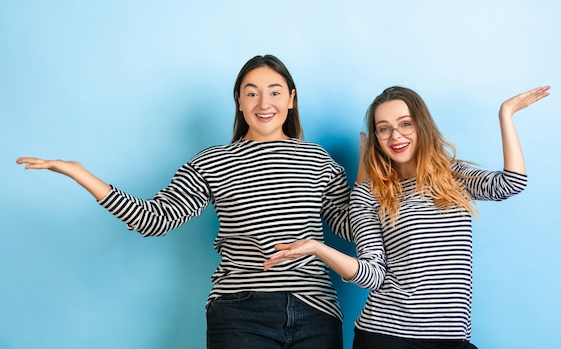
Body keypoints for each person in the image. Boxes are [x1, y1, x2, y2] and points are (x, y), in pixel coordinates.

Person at [16, 54, 354, 349]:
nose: (264, 103)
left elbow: (351, 226)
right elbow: (155, 219)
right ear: (238, 100)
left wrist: (376, 176)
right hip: (242, 313)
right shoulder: (213, 162)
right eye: (252, 92)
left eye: (275, 92)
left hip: (317, 312)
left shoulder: (318, 160)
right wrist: (81, 174)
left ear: (292, 99)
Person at [264, 85, 551, 349]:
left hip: (451, 337)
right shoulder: (369, 194)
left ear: (421, 126)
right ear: (376, 137)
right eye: (384, 129)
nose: (395, 136)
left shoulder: (453, 176)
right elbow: (372, 274)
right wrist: (317, 247)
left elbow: (510, 183)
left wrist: (506, 113)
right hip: (388, 337)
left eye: (405, 124)